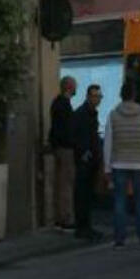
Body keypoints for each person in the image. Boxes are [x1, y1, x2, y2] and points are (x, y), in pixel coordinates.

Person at [103, 82, 140, 248]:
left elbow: (108, 142)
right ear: (134, 95)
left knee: (120, 201)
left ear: (121, 95)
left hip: (119, 162)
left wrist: (107, 167)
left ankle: (119, 239)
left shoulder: (112, 115)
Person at [71, 84, 104, 240]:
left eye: (99, 96)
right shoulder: (81, 114)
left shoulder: (92, 113)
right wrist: (84, 153)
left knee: (88, 195)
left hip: (91, 160)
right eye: (95, 96)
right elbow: (78, 136)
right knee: (82, 194)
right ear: (88, 96)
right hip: (85, 160)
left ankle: (86, 226)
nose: (97, 99)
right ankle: (82, 227)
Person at [48, 75, 78, 230]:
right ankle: (66, 218)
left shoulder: (56, 103)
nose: (76, 89)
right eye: (74, 86)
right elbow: (67, 129)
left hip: (57, 148)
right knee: (66, 184)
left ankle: (58, 217)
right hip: (66, 149)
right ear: (69, 87)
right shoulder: (65, 105)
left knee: (59, 183)